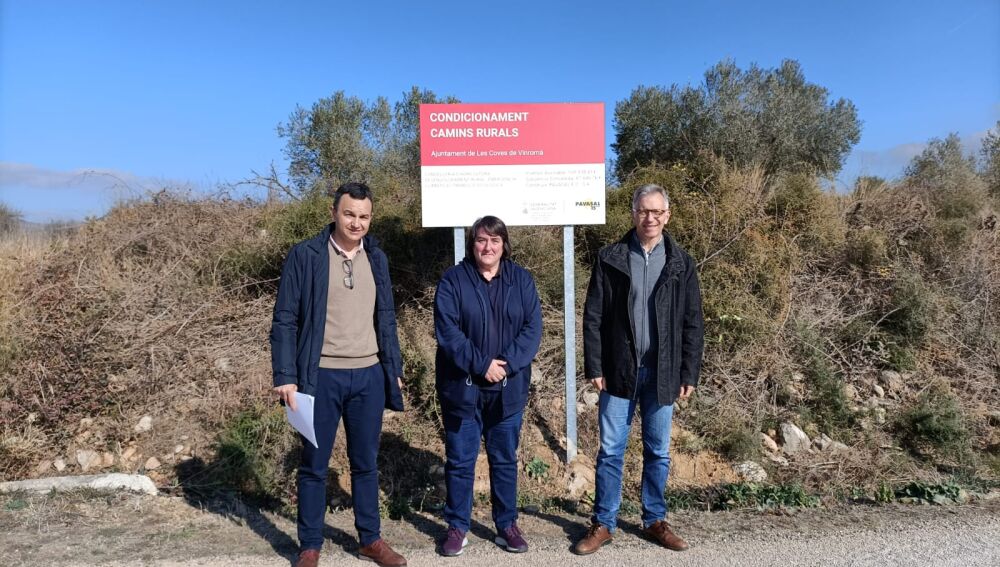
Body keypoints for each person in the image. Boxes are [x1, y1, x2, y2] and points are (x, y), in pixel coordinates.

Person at [270, 182, 407, 567]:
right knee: (314, 465)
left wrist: (393, 368)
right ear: (334, 213)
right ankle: (310, 546)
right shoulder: (306, 255)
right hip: (319, 377)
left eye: (364, 216)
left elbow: (386, 317)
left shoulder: (376, 257)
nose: (356, 222)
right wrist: (286, 375)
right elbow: (285, 319)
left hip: (368, 376)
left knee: (366, 463)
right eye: (349, 214)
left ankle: (370, 540)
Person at [572, 184, 704, 555]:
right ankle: (604, 522)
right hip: (618, 370)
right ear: (633, 213)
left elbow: (693, 321)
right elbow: (593, 316)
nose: (650, 218)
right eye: (644, 211)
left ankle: (655, 520)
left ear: (667, 215)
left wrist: (688, 371)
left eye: (657, 212)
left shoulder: (681, 263)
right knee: (611, 451)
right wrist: (595, 364)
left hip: (663, 371)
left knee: (658, 451)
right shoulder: (611, 257)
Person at [433, 215, 543, 557]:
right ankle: (457, 527)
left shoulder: (521, 280)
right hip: (462, 388)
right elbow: (448, 333)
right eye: (481, 240)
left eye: (495, 240)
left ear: (504, 244)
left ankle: (506, 525)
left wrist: (505, 365)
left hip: (508, 388)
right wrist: (482, 365)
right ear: (472, 244)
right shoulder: (453, 280)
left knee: (504, 460)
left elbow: (532, 328)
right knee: (460, 461)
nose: (488, 247)